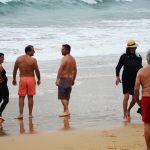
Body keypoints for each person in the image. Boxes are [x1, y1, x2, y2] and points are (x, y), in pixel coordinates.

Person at [115, 40, 142, 121]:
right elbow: (118, 67)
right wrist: (117, 77)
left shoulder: (139, 56)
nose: (133, 49)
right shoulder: (123, 56)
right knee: (126, 96)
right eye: (131, 47)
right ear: (128, 48)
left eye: (134, 47)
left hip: (136, 79)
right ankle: (125, 115)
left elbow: (140, 68)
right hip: (126, 78)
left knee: (134, 98)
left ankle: (128, 110)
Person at [12, 45, 41, 119]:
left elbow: (15, 70)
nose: (34, 51)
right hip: (31, 79)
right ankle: (30, 114)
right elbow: (37, 70)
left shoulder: (19, 59)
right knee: (30, 97)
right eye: (33, 50)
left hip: (22, 79)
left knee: (21, 97)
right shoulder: (33, 60)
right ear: (28, 51)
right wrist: (39, 79)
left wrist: (14, 79)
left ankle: (21, 114)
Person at [134, 50, 150, 150]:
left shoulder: (141, 71)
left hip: (146, 98)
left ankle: (148, 148)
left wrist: (138, 101)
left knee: (147, 124)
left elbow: (136, 89)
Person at [56, 44, 77, 117]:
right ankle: (65, 110)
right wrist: (73, 79)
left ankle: (67, 111)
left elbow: (60, 69)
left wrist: (57, 79)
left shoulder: (64, 58)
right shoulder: (73, 59)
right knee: (67, 97)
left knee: (62, 97)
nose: (61, 51)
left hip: (63, 79)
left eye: (63, 49)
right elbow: (75, 70)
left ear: (67, 50)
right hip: (69, 80)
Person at [0, 53, 9, 123]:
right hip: (2, 86)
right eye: (2, 57)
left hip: (2, 85)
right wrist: (1, 79)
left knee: (0, 99)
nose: (4, 59)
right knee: (6, 100)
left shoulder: (0, 65)